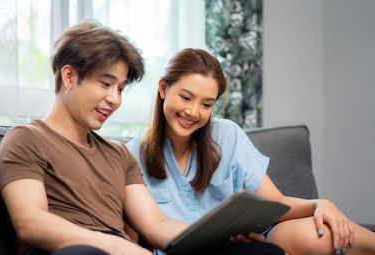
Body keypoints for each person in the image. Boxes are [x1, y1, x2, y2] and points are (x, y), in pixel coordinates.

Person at [0, 21, 284, 255]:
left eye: (120, 89)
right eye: (106, 84)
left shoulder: (119, 155)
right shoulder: (25, 140)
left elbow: (155, 225)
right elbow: (30, 223)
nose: (114, 99)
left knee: (258, 251)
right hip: (76, 251)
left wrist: (220, 239)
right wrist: (114, 245)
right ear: (69, 77)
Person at [126, 48, 375, 255]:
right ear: (162, 89)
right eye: (185, 97)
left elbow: (275, 202)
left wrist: (319, 204)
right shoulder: (131, 156)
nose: (193, 112)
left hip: (247, 242)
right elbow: (149, 229)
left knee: (322, 231)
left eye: (206, 104)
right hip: (190, 252)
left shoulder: (227, 135)